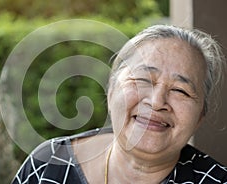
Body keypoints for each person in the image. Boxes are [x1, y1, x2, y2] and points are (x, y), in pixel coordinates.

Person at [12, 25, 227, 184]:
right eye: (142, 80)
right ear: (112, 89)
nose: (156, 102)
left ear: (200, 116)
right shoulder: (47, 166)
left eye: (180, 90)